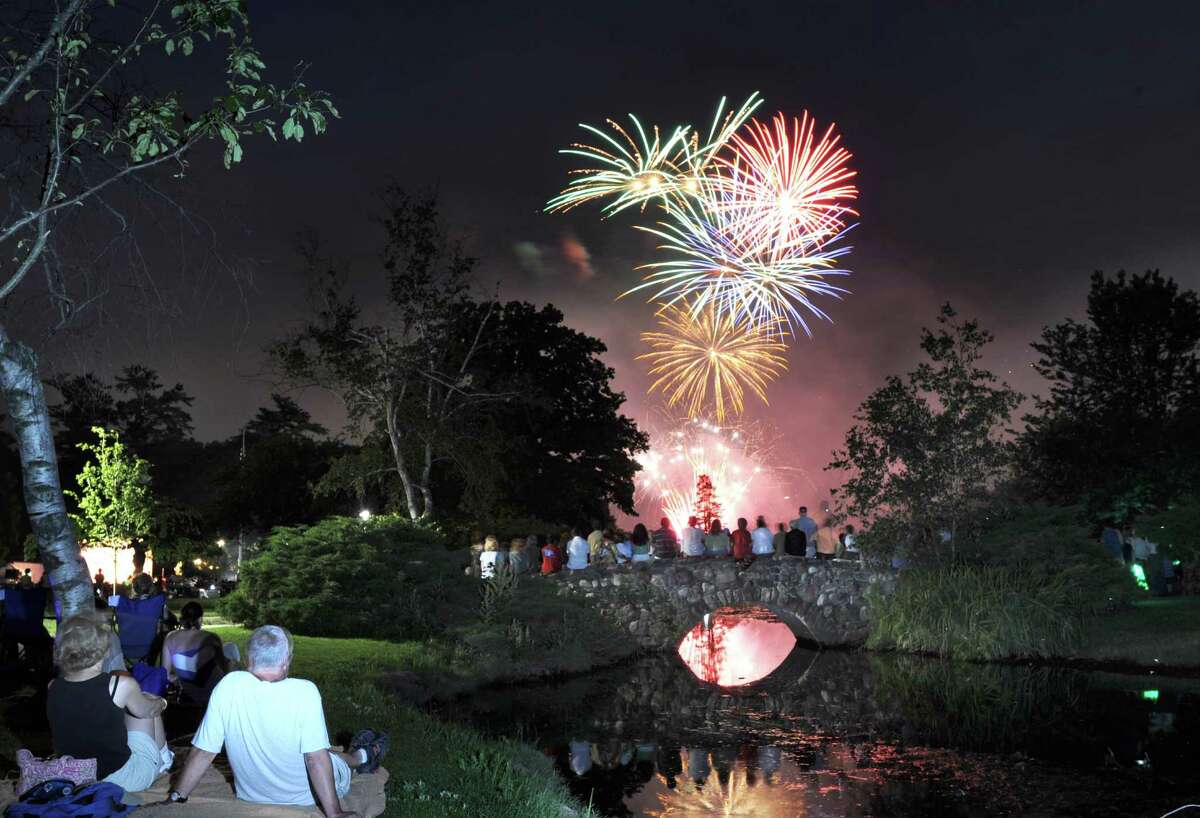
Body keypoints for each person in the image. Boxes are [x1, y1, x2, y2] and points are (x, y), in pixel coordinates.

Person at [170, 625, 385, 816]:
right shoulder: (304, 692)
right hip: (308, 797)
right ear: (286, 660)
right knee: (327, 756)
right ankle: (362, 755)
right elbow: (315, 760)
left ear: (248, 659)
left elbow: (203, 752)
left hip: (252, 797)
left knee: (320, 750)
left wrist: (177, 798)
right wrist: (335, 813)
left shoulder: (229, 686)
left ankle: (358, 755)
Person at [47, 615, 172, 794]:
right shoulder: (119, 685)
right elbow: (148, 711)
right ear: (105, 650)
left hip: (76, 777)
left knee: (128, 703)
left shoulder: (53, 686)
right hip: (123, 779)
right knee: (147, 699)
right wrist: (162, 702)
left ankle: (162, 759)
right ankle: (163, 761)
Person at [161, 601, 229, 706]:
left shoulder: (170, 637)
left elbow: (164, 674)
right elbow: (224, 669)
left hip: (189, 694)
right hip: (214, 694)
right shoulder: (212, 638)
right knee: (231, 648)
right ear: (200, 619)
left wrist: (178, 677)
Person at [114, 572, 169, 664]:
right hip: (148, 649)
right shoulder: (157, 603)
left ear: (133, 587)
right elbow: (166, 617)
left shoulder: (120, 602)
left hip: (124, 648)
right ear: (151, 587)